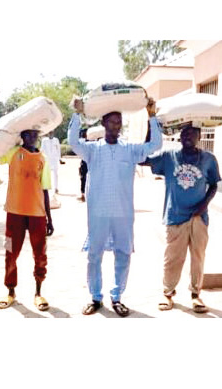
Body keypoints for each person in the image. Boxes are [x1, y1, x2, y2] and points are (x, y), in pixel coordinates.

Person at [67, 96, 161, 317]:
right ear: (103, 124)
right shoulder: (92, 150)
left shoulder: (129, 150)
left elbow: (155, 145)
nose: (115, 126)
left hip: (123, 213)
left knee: (123, 253)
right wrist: (77, 113)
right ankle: (96, 297)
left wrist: (152, 115)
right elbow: (72, 142)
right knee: (94, 255)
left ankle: (117, 297)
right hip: (98, 212)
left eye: (119, 122)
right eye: (111, 121)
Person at [141, 124, 221, 313]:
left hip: (199, 217)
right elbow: (142, 159)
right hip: (175, 215)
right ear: (180, 136)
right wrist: (150, 127)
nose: (188, 137)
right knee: (173, 258)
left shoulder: (208, 159)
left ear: (199, 137)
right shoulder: (169, 157)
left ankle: (196, 295)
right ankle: (167, 293)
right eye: (185, 133)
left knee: (198, 258)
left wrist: (204, 205)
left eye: (193, 134)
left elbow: (214, 185)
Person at [0, 124, 55, 311]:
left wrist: (49, 219)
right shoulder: (13, 152)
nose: (31, 137)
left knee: (40, 255)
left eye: (34, 134)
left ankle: (38, 292)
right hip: (14, 213)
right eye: (27, 134)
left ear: (38, 136)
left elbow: (45, 190)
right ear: (22, 135)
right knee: (10, 253)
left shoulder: (42, 158)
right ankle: (10, 291)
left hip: (37, 214)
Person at [78, 129, 89, 202]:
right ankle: (84, 194)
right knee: (84, 178)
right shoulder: (91, 142)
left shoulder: (82, 141)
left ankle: (83, 194)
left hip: (84, 162)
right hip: (87, 162)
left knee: (83, 178)